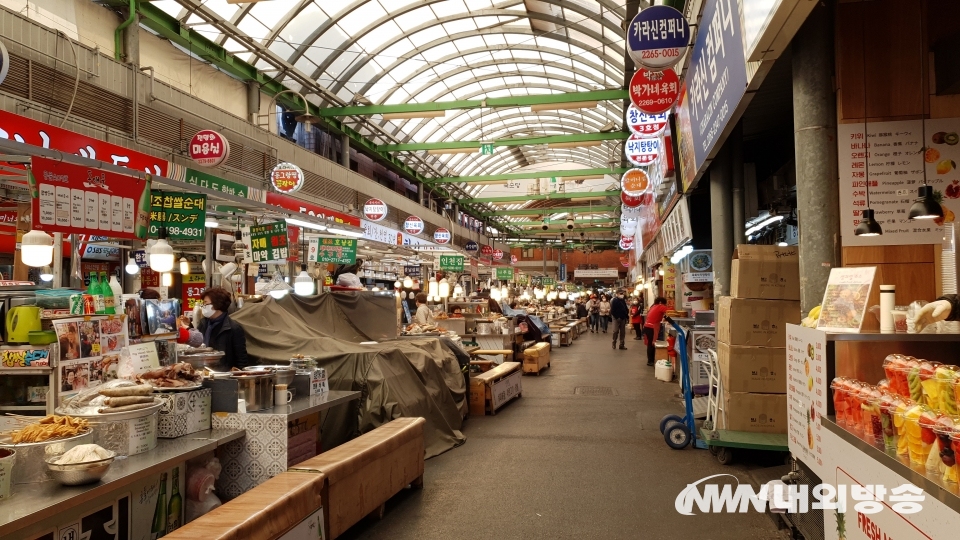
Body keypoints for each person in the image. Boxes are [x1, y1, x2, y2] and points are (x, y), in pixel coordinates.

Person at [196, 287, 249, 370]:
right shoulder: (203, 324)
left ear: (217, 304)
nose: (203, 306)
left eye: (206, 303)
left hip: (224, 376)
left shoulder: (233, 328)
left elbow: (241, 360)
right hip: (202, 372)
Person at [643, 297, 669, 366]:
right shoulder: (661, 306)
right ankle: (650, 361)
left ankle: (650, 360)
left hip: (647, 326)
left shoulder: (653, 306)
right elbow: (670, 312)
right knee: (652, 344)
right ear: (661, 302)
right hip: (652, 327)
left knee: (650, 344)